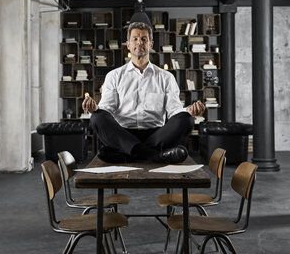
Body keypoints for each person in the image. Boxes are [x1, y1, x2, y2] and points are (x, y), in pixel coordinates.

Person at [82, 22, 205, 164]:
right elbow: (106, 110)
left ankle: (128, 154)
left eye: (144, 39)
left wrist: (189, 110)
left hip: (157, 135)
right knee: (97, 117)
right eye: (135, 38)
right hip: (123, 133)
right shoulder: (114, 76)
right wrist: (94, 109)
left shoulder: (166, 77)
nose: (139, 42)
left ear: (151, 44)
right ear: (128, 44)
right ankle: (156, 156)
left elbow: (174, 111)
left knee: (186, 119)